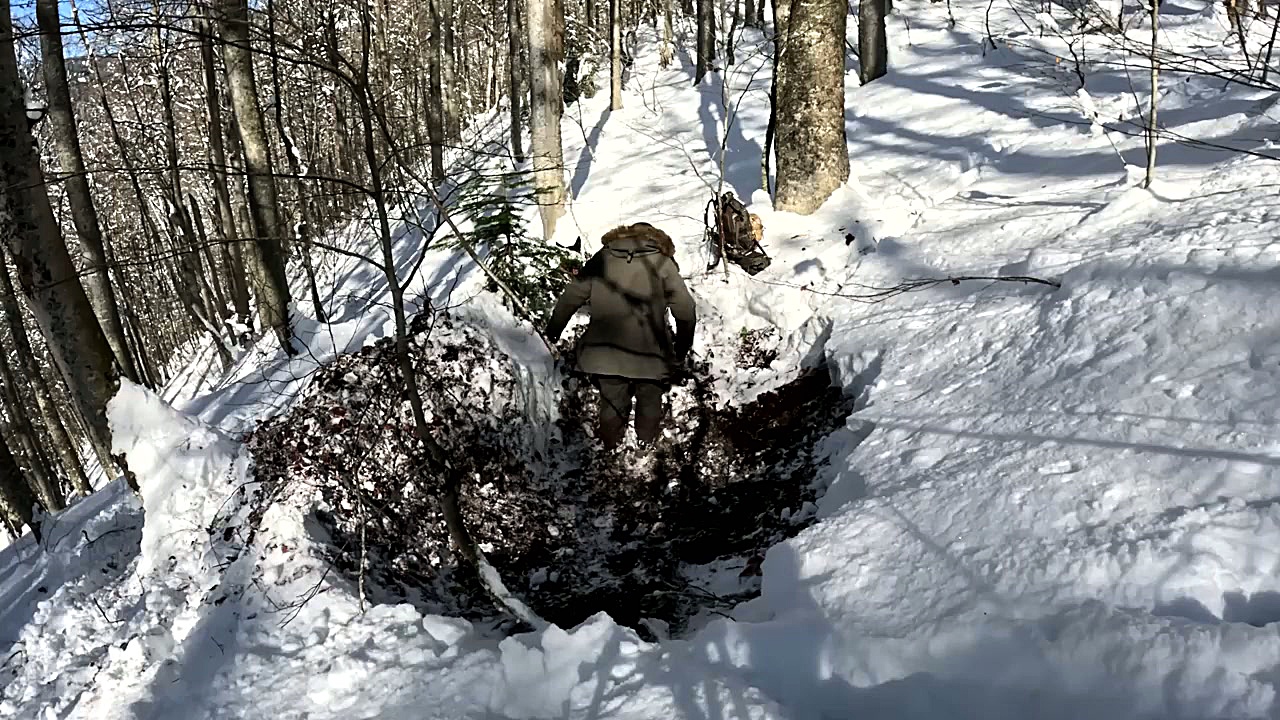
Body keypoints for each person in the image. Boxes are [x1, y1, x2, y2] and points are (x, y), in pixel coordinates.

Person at [545, 222, 697, 450]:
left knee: (611, 401)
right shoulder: (662, 263)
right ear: (656, 240)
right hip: (651, 351)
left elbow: (572, 296)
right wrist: (682, 348)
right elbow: (685, 309)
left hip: (606, 348)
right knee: (649, 400)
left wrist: (553, 331)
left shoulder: (603, 258)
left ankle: (611, 445)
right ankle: (645, 446)